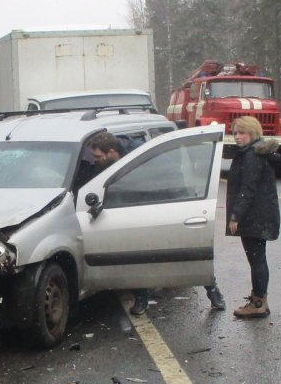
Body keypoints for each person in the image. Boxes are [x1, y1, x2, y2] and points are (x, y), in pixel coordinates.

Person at [85, 132, 226, 316]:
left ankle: (213, 293)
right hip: (137, 212)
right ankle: (142, 298)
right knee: (136, 257)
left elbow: (167, 180)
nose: (95, 160)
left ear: (111, 151)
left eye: (98, 156)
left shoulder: (141, 156)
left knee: (186, 253)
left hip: (164, 207)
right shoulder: (112, 162)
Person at [224, 115, 281, 318]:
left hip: (255, 217)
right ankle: (259, 299)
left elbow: (246, 189)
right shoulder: (252, 152)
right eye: (235, 133)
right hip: (259, 215)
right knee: (258, 260)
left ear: (253, 133)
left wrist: (235, 217)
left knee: (256, 261)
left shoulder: (252, 156)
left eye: (242, 133)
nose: (237, 137)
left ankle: (258, 303)